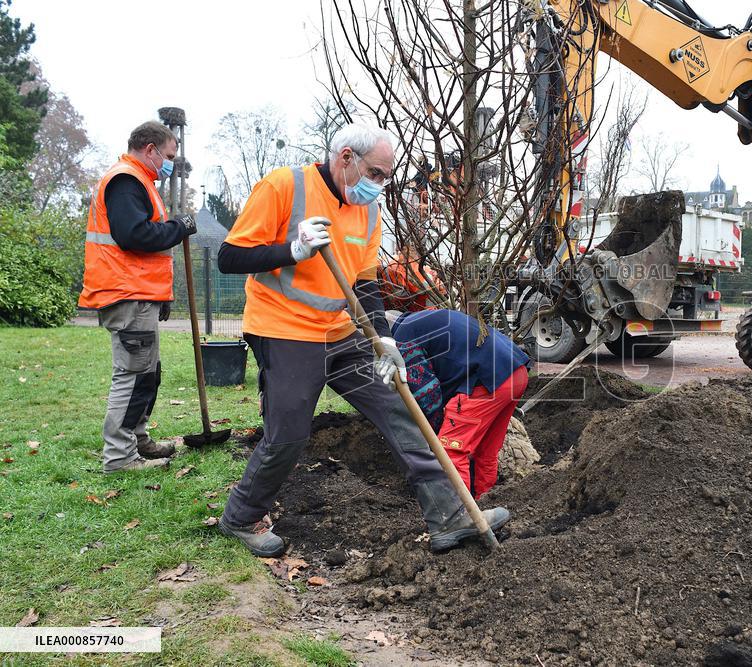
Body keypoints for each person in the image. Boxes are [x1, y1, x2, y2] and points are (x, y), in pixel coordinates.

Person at [215, 123, 510, 557]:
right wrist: (291, 251)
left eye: (386, 177)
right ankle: (239, 518)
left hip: (340, 331)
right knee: (291, 432)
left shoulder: (368, 211)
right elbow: (229, 256)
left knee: (402, 411)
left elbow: (365, 284)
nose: (379, 185)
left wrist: (384, 341)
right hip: (283, 327)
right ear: (346, 157)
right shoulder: (284, 186)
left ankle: (449, 518)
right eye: (375, 173)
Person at [79, 121, 197, 474]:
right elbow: (134, 235)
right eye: (169, 156)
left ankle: (137, 439)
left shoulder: (138, 181)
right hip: (125, 293)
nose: (171, 164)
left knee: (147, 373)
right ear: (150, 149)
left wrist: (161, 295)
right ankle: (118, 456)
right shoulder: (126, 181)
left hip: (137, 293)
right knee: (132, 375)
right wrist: (179, 227)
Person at [388, 309, 531, 499]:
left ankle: (461, 514)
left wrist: (433, 432)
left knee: (450, 450)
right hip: (515, 372)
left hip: (486, 382)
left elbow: (427, 395)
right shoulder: (421, 320)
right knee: (485, 452)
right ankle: (485, 501)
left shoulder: (401, 339)